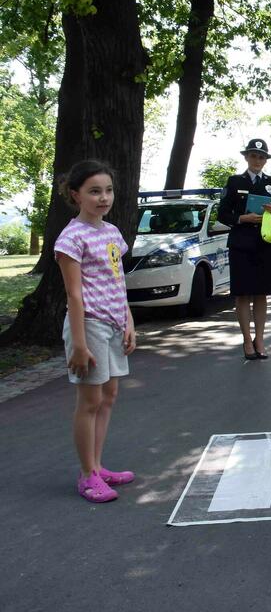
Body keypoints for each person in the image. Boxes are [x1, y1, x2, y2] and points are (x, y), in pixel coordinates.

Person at [54, 159, 138, 503]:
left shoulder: (112, 232)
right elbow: (74, 294)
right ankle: (87, 476)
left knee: (108, 397)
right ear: (76, 195)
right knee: (89, 401)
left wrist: (129, 321)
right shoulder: (71, 237)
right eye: (94, 192)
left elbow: (118, 282)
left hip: (114, 325)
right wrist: (78, 344)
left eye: (108, 190)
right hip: (88, 326)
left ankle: (98, 466)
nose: (103, 198)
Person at [218, 139, 271, 360]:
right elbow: (222, 214)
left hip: (264, 244)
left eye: (262, 157)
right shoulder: (234, 181)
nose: (258, 160)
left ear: (266, 160)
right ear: (246, 157)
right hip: (241, 244)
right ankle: (247, 340)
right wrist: (241, 218)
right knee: (243, 293)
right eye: (254, 156)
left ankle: (260, 339)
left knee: (261, 293)